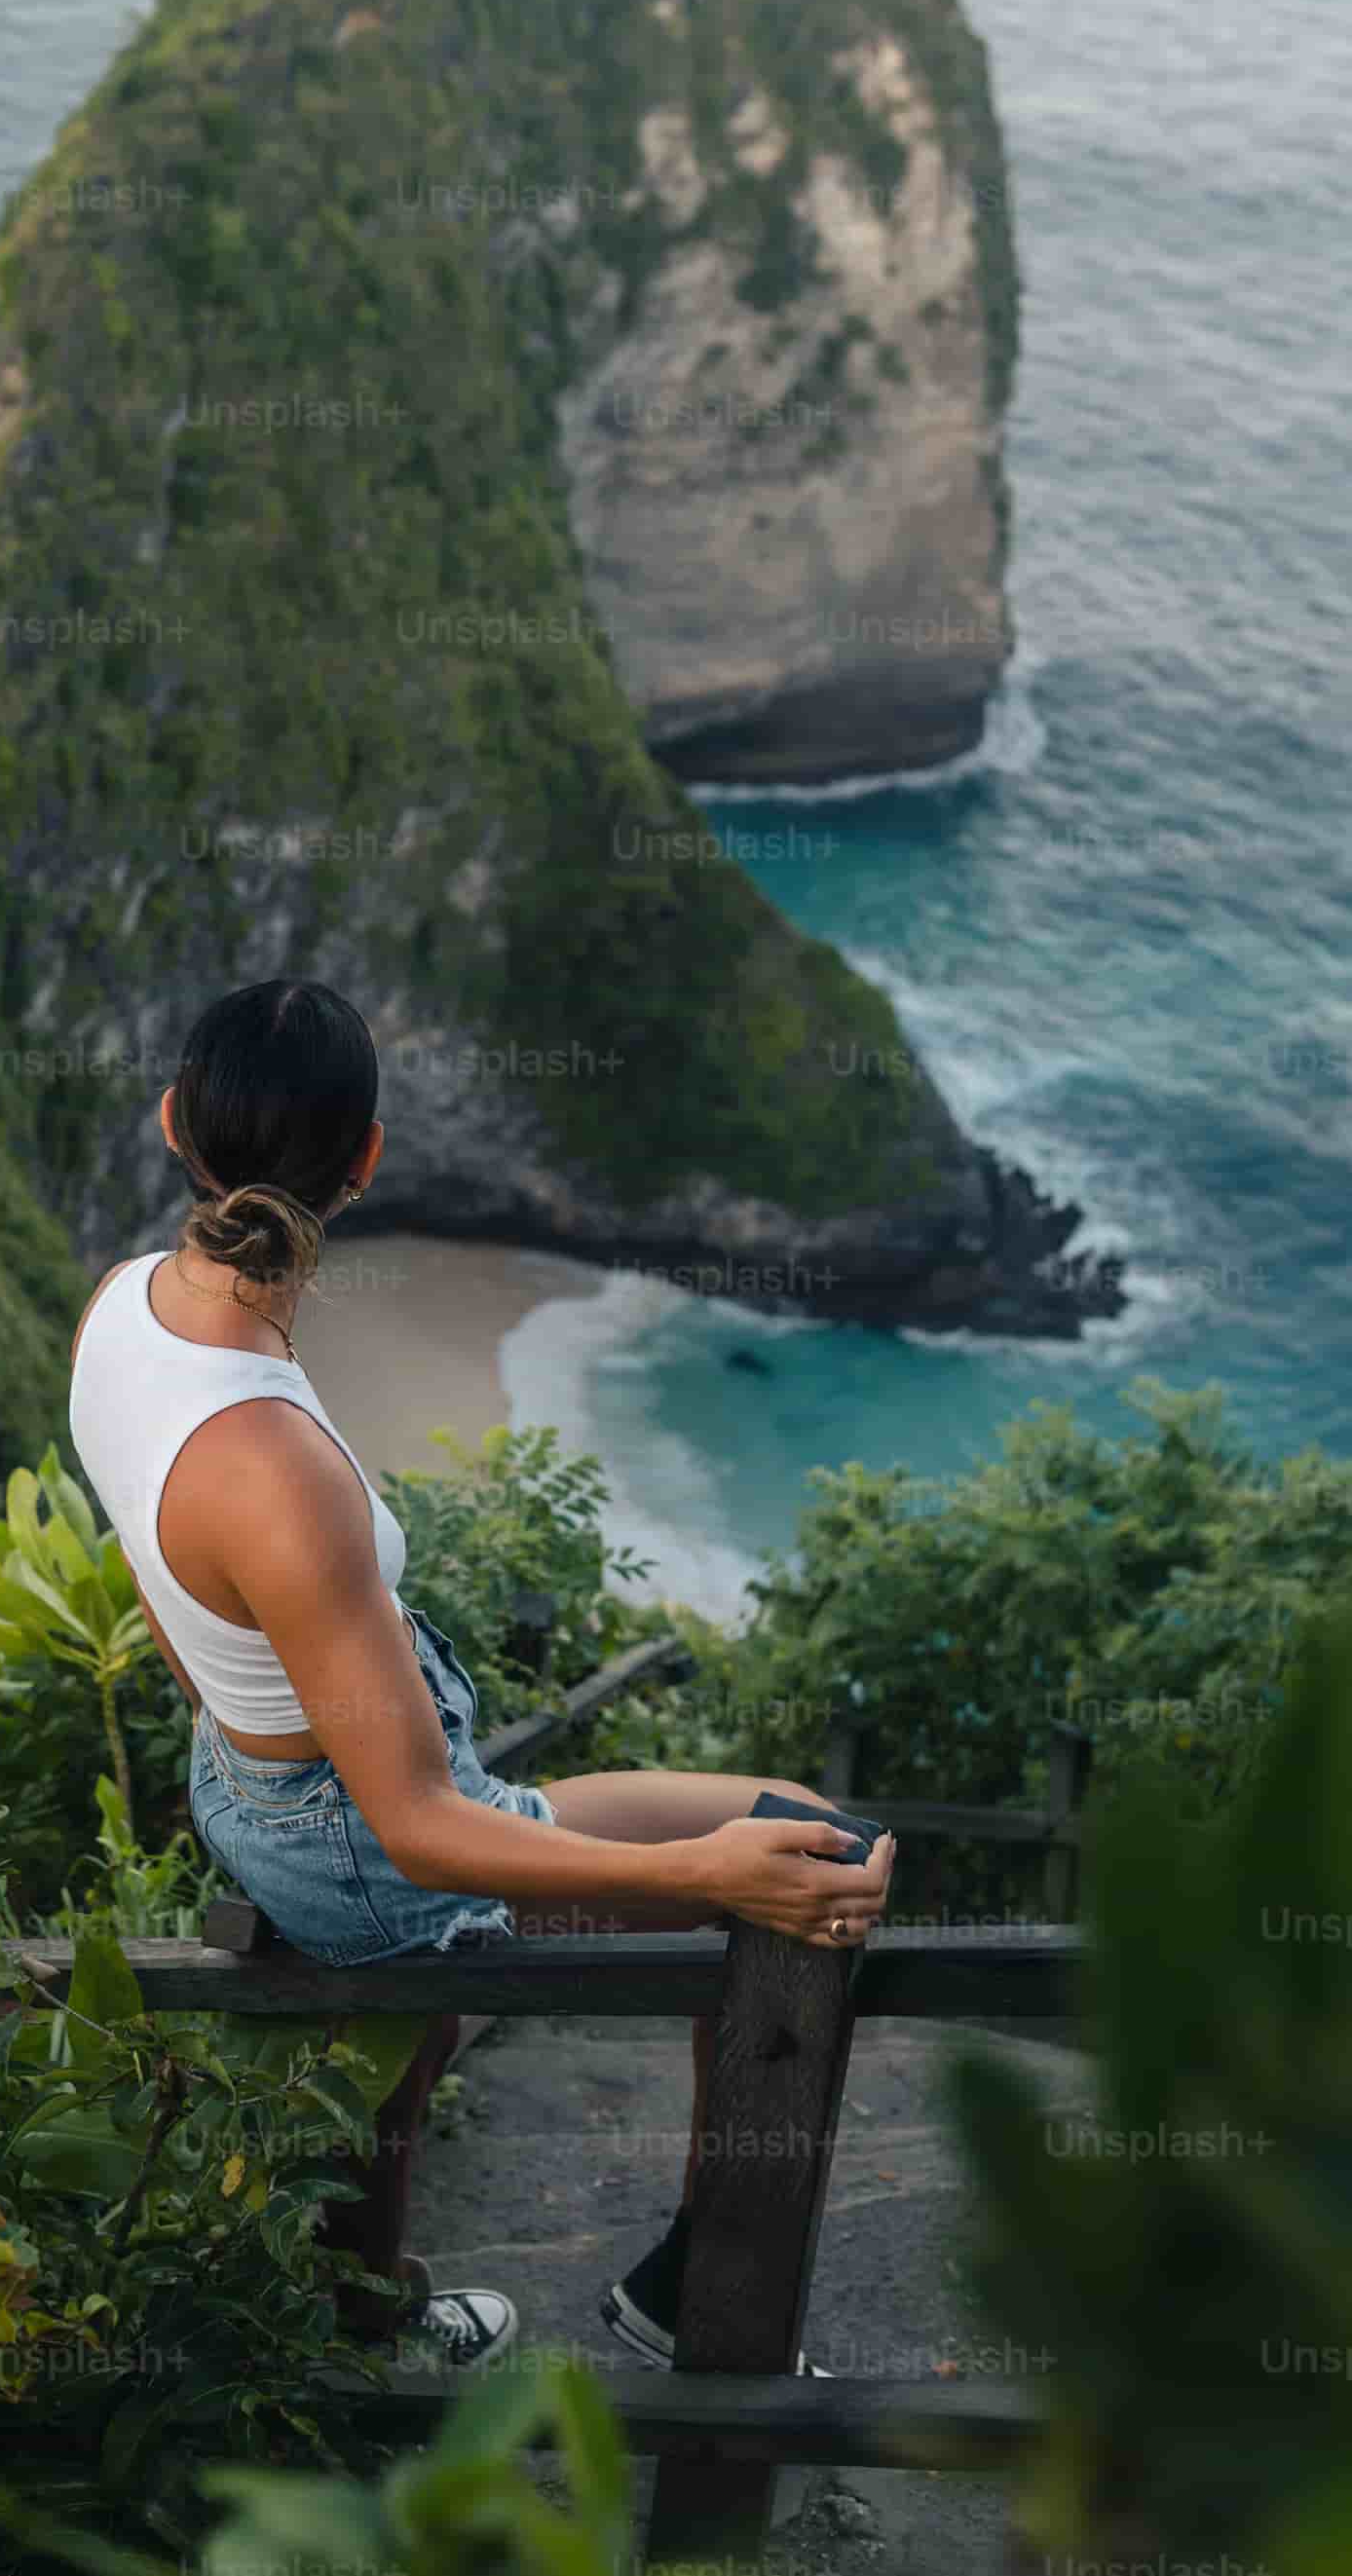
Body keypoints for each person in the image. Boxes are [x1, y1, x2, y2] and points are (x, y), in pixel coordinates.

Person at [68, 978, 895, 2371]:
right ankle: (699, 2303)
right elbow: (415, 1829)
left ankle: (366, 2316)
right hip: (364, 1838)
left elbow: (166, 1585)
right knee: (812, 1844)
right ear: (371, 1158)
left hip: (250, 1778)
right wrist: (712, 1877)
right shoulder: (275, 1466)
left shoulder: (123, 1309)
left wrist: (254, 1708)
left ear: (171, 1125)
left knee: (422, 2025)